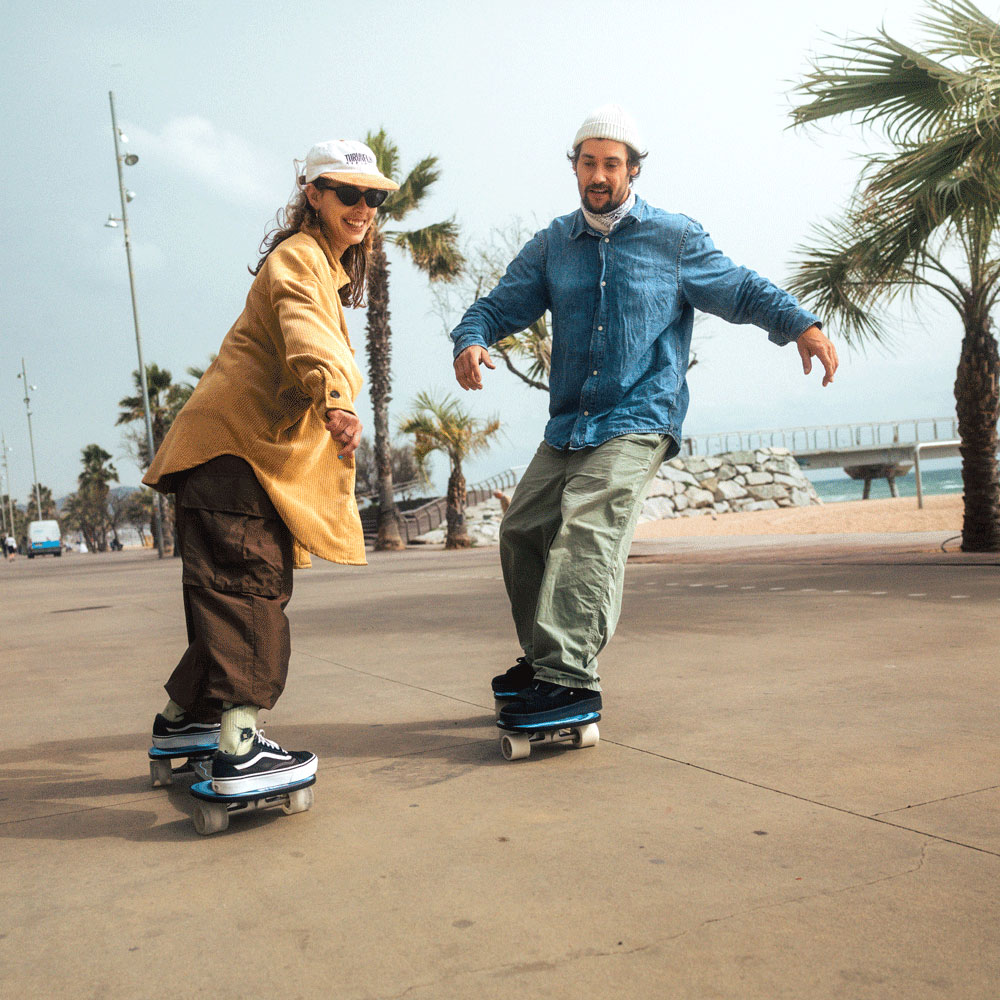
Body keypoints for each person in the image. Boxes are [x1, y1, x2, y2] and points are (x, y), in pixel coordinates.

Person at [450, 105, 838, 729]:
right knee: (522, 530)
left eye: (612, 164)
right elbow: (497, 307)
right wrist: (471, 340)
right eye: (588, 163)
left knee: (588, 529)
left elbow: (740, 289)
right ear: (575, 168)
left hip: (638, 416)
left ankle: (569, 679)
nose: (599, 175)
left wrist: (801, 324)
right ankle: (545, 660)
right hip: (570, 422)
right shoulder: (553, 244)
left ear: (633, 169)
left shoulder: (674, 238)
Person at [143, 139, 398, 793]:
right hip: (237, 458)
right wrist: (336, 399)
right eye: (349, 193)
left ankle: (183, 723)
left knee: (225, 605)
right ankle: (240, 748)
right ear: (313, 194)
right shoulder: (299, 260)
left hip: (222, 457)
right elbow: (304, 329)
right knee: (250, 596)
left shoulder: (318, 265)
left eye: (373, 197)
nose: (363, 207)